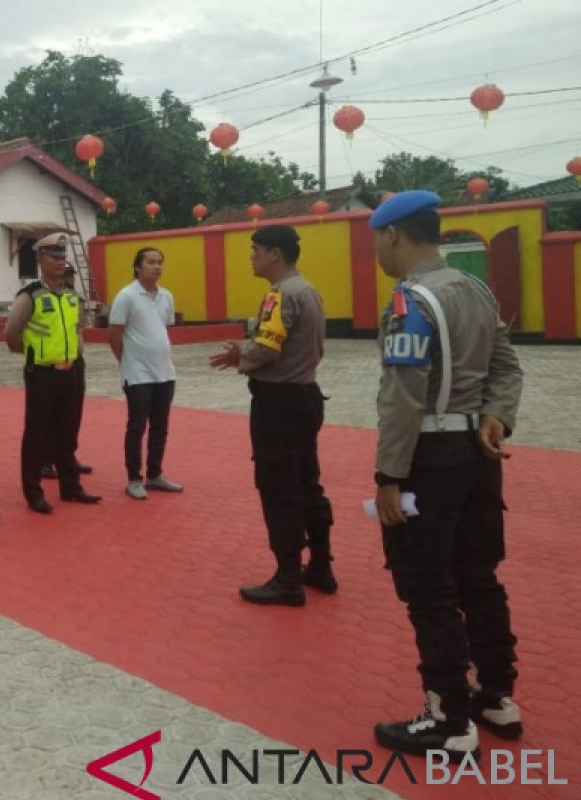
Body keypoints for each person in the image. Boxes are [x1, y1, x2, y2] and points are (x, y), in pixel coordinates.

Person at [367, 190, 523, 760]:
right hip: (479, 455)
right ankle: (497, 696)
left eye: (375, 243)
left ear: (391, 236)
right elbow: (507, 366)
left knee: (428, 586)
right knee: (479, 574)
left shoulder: (412, 300)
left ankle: (447, 716)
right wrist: (497, 417)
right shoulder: (476, 290)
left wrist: (389, 475)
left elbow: (403, 399)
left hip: (430, 458)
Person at [208, 224, 335, 605]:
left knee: (279, 489)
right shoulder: (308, 290)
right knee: (308, 483)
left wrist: (240, 356)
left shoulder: (278, 295)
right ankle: (322, 565)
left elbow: (268, 347)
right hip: (305, 395)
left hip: (278, 403)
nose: (252, 257)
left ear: (274, 254)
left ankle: (288, 577)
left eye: (256, 250)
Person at [4, 233, 100, 514]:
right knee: (36, 434)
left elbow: (77, 330)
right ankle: (33, 492)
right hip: (42, 374)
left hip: (71, 372)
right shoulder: (30, 295)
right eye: (54, 257)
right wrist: (36, 354)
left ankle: (71, 487)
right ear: (40, 259)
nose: (60, 262)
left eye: (62, 257)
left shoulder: (72, 296)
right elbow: (11, 334)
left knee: (68, 432)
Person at [108, 247, 184, 499]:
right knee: (137, 426)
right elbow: (114, 334)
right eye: (151, 262)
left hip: (165, 373)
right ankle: (133, 479)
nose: (157, 266)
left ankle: (154, 474)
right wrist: (126, 361)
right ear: (138, 267)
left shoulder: (166, 297)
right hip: (137, 375)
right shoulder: (126, 296)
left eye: (160, 262)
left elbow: (163, 330)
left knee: (160, 426)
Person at [41, 264, 95, 480]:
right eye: (65, 274)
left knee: (73, 413)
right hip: (51, 362)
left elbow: (79, 328)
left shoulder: (74, 299)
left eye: (70, 275)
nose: (68, 279)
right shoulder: (40, 297)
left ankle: (68, 456)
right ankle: (45, 460)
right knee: (49, 415)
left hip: (75, 360)